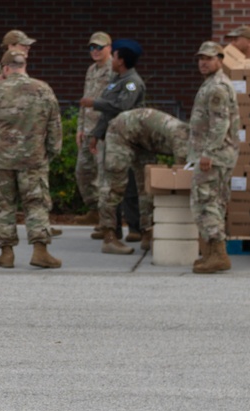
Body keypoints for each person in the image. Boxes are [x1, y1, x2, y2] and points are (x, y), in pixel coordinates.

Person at [0, 50, 62, 269]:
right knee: (36, 204)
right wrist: (51, 152)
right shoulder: (42, 89)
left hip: (0, 160)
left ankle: (6, 253)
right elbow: (54, 126)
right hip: (33, 159)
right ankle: (40, 251)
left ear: (4, 68)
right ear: (24, 65)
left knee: (2, 205)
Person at [79, 38, 146, 255]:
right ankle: (113, 229)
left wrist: (94, 103)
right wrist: (96, 134)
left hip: (127, 140)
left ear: (122, 60)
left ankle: (136, 227)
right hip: (111, 139)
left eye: (115, 55)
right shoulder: (115, 81)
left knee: (129, 185)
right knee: (111, 183)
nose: (112, 59)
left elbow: (123, 106)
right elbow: (108, 112)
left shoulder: (132, 82)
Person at [98, 108, 188, 252]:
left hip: (144, 141)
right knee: (115, 185)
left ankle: (147, 233)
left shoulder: (187, 138)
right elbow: (183, 179)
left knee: (148, 186)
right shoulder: (184, 139)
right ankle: (109, 238)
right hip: (122, 131)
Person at [189, 42, 240, 274]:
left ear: (220, 60)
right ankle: (212, 253)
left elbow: (220, 124)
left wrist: (207, 153)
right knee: (214, 202)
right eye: (201, 58)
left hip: (215, 155)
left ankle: (218, 254)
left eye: (208, 58)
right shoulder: (212, 84)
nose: (203, 62)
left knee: (206, 202)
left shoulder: (217, 87)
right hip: (219, 155)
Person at [74, 32, 112, 233]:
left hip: (104, 132)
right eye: (92, 48)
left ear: (109, 48)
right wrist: (80, 128)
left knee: (104, 177)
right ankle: (93, 208)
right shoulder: (91, 70)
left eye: (99, 47)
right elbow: (84, 100)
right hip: (88, 131)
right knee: (83, 172)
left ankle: (106, 222)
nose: (95, 51)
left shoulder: (114, 70)